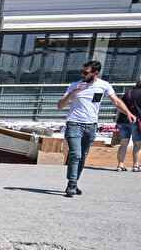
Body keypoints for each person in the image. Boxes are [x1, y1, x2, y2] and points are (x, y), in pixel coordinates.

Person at [57, 60, 136, 197]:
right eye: (82, 72)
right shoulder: (75, 86)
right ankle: (71, 183)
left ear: (95, 73)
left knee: (83, 157)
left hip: (91, 126)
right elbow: (60, 105)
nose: (83, 74)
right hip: (74, 124)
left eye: (86, 73)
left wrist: (128, 113)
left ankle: (75, 182)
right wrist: (73, 92)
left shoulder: (103, 85)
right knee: (76, 154)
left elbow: (116, 101)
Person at [114, 78, 141, 173]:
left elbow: (118, 107)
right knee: (137, 144)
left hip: (122, 121)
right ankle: (135, 166)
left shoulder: (127, 93)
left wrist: (117, 121)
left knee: (123, 144)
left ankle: (120, 165)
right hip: (135, 121)